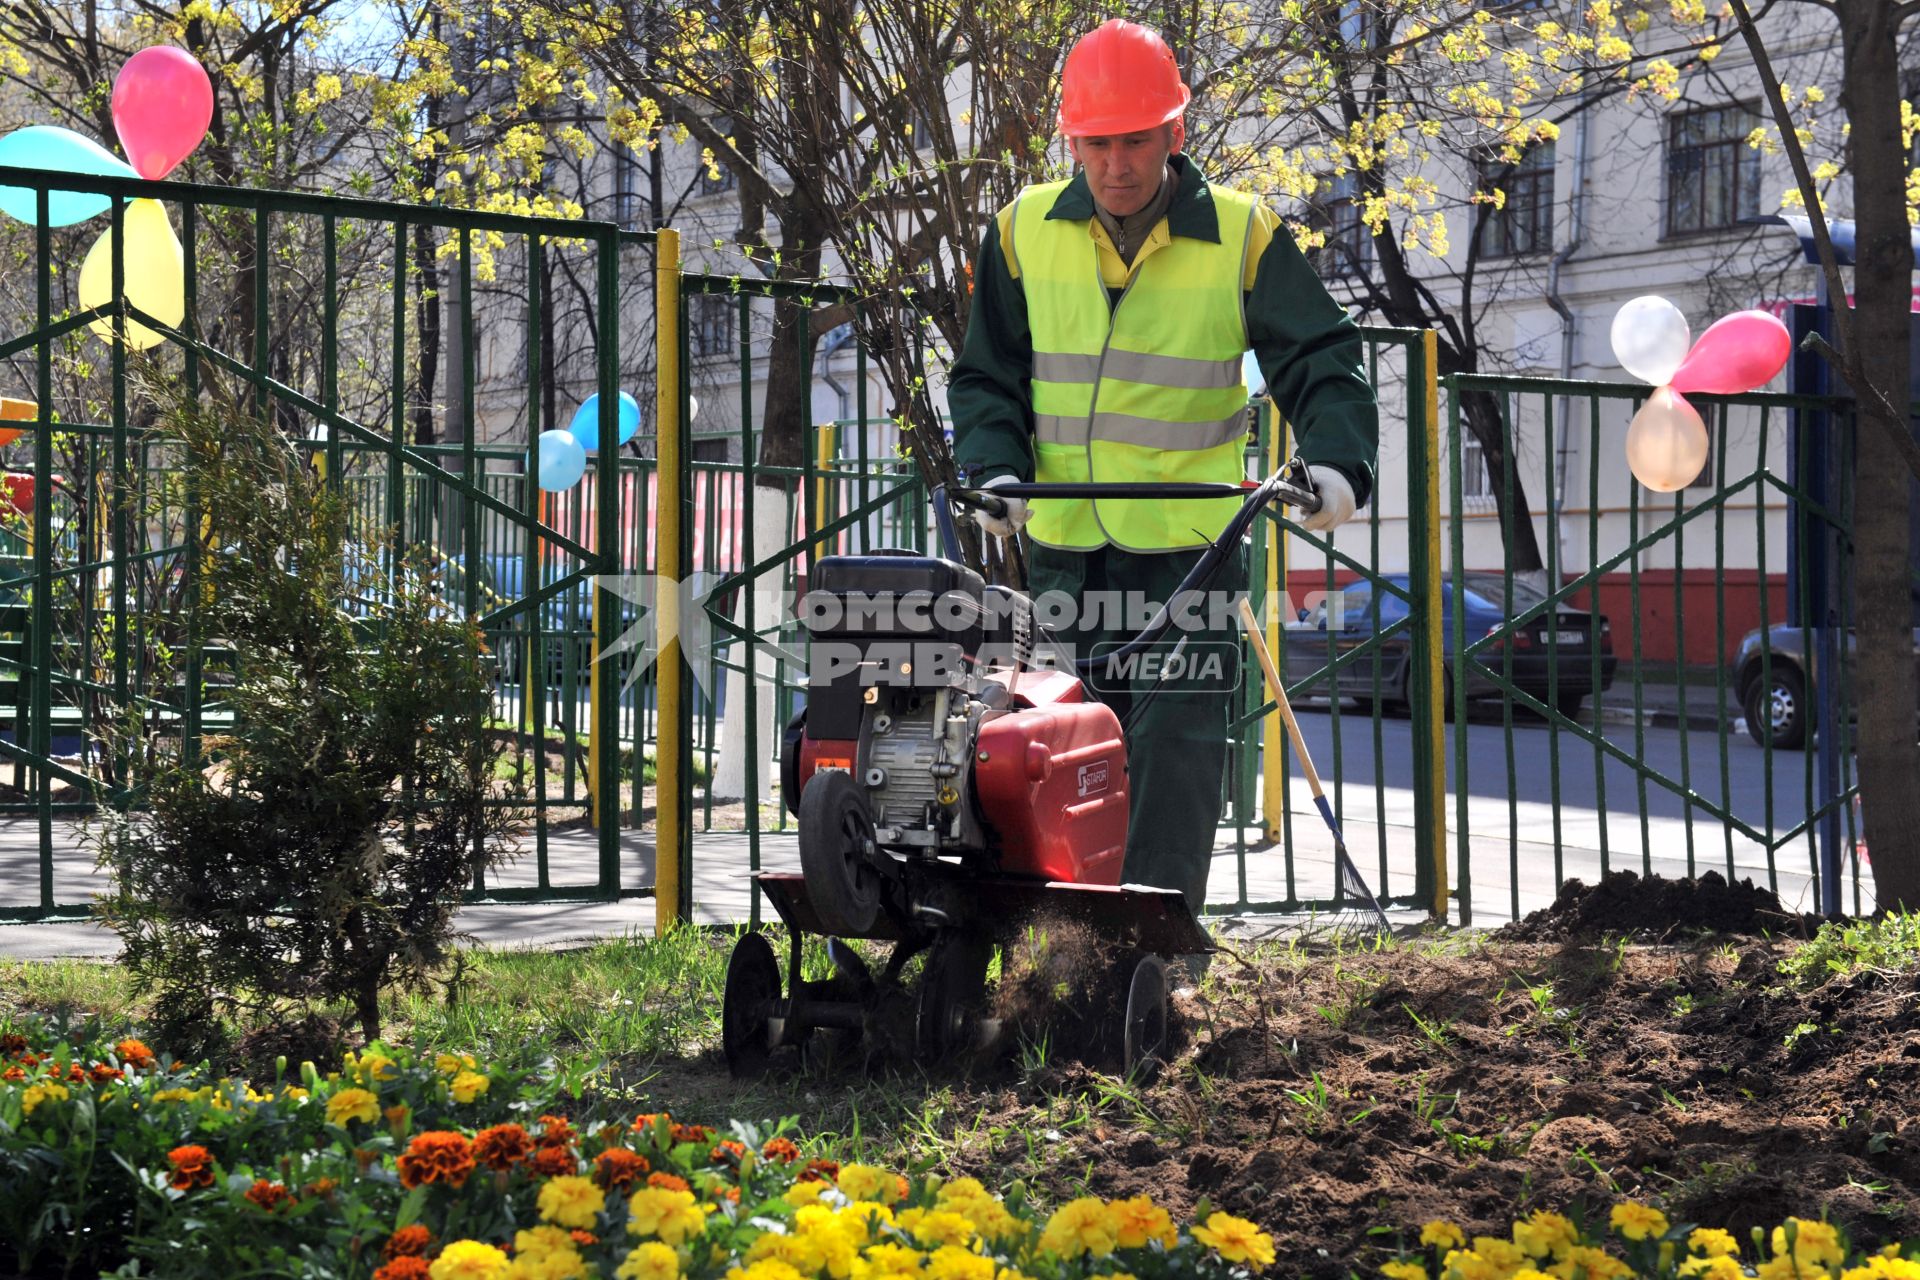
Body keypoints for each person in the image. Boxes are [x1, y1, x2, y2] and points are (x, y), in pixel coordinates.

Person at [947, 17, 1380, 918]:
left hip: (1195, 555)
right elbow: (986, 374)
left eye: (1135, 140)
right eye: (1096, 143)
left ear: (1174, 134)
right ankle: (1058, 948)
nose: (1115, 165)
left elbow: (1322, 357)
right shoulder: (1021, 232)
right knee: (1064, 759)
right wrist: (993, 466)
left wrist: (1336, 463)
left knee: (1180, 753)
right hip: (1067, 547)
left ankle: (1149, 952)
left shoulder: (1241, 235)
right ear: (1073, 141)